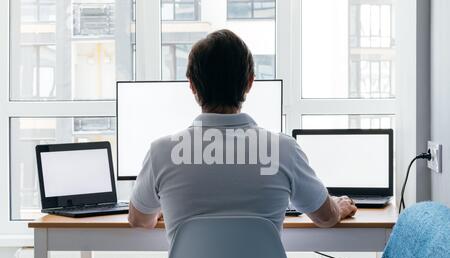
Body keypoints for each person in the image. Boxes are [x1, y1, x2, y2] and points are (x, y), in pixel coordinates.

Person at [128, 29, 357, 242]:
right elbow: (325, 218)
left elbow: (139, 221)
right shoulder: (283, 150)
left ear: (192, 86)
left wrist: (164, 206)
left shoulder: (161, 153)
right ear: (249, 82)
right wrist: (339, 207)